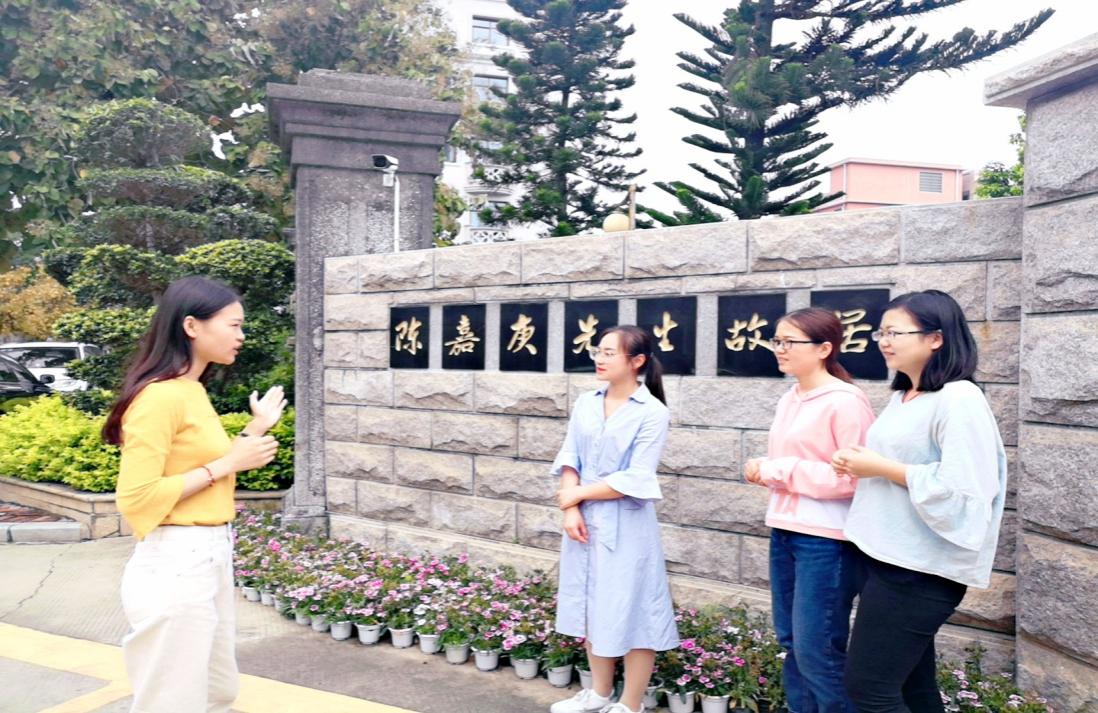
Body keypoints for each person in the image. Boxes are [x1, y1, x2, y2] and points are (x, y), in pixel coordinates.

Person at [104, 276, 287, 713]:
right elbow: (136, 497)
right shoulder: (159, 397)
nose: (242, 336)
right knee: (173, 700)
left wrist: (256, 428)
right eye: (234, 325)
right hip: (176, 561)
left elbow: (209, 466)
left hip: (207, 554)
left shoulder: (190, 390)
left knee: (216, 691)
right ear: (191, 326)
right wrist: (228, 463)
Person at [832, 290, 1007, 713]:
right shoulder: (904, 396)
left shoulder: (959, 398)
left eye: (895, 332)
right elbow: (901, 466)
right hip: (888, 557)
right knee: (914, 689)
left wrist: (881, 467)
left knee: (869, 690)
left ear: (936, 338)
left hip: (921, 570)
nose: (883, 341)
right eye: (881, 333)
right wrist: (862, 463)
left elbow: (965, 490)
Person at [744, 307, 875, 713]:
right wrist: (766, 469)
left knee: (818, 649)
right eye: (776, 341)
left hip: (827, 540)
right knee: (792, 643)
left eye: (790, 342)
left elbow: (855, 477)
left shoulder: (846, 402)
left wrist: (778, 470)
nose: (779, 349)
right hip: (785, 530)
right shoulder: (790, 397)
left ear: (824, 348)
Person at [549, 325, 679, 713]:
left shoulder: (652, 412)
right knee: (592, 603)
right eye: (598, 351)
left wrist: (578, 495)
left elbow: (636, 477)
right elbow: (570, 455)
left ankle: (630, 703)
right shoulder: (586, 403)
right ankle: (599, 693)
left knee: (634, 610)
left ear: (637, 361)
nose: (600, 359)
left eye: (610, 353)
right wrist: (571, 508)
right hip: (583, 521)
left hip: (627, 525)